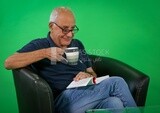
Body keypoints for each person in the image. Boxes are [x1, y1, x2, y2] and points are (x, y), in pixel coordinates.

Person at [5, 7, 137, 113]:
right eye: (64, 29)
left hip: (87, 95)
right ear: (51, 26)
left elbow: (92, 73)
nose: (69, 34)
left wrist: (88, 75)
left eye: (72, 29)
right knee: (117, 82)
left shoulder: (78, 44)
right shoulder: (40, 45)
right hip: (64, 101)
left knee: (114, 103)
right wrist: (44, 53)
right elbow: (9, 62)